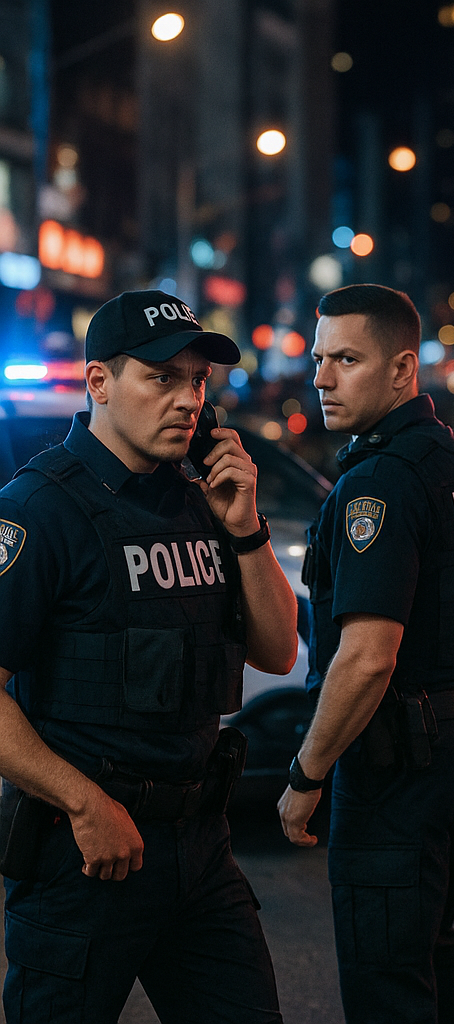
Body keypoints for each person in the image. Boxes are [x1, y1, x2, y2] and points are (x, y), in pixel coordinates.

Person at [0, 289, 297, 1023]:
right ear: (100, 382)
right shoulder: (41, 509)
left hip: (200, 849)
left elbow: (279, 651)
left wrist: (248, 527)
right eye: (160, 378)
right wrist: (82, 802)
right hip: (86, 855)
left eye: (197, 380)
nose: (187, 400)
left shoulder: (202, 502)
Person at [277, 283, 454, 1024]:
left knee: (387, 975)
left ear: (401, 369)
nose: (322, 377)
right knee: (431, 950)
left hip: (400, 758)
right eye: (320, 359)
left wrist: (305, 772)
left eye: (346, 359)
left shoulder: (379, 479)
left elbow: (368, 657)